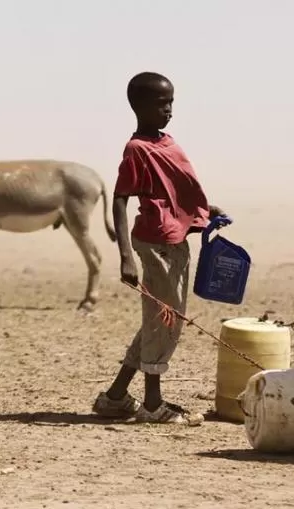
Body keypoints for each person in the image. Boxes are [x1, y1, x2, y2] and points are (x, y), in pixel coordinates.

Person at [91, 71, 226, 424]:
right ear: (139, 106)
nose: (168, 110)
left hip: (176, 241)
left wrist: (203, 211)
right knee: (165, 321)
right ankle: (153, 403)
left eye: (171, 103)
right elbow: (120, 200)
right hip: (156, 245)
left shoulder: (167, 142)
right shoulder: (137, 149)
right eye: (161, 104)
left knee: (158, 320)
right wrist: (125, 257)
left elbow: (171, 190)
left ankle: (116, 397)